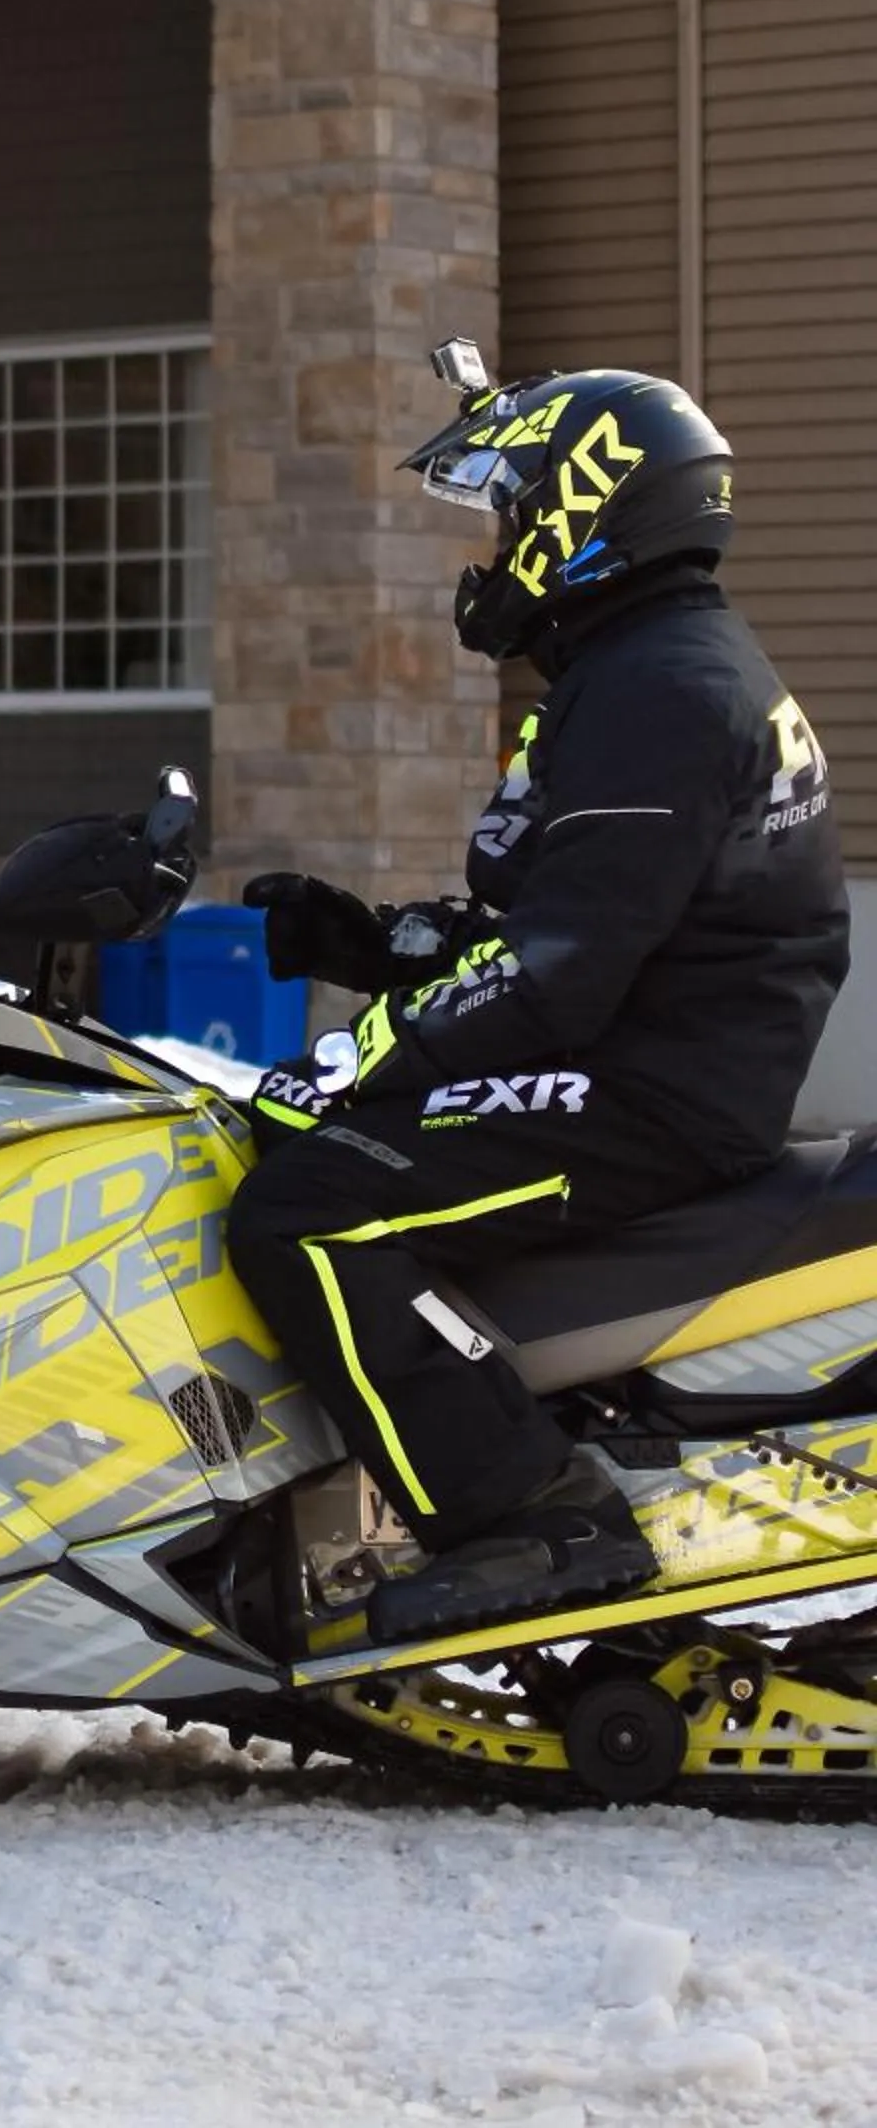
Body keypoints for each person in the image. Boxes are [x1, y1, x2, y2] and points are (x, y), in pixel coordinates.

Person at [225, 346, 850, 1645]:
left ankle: (531, 1512)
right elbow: (565, 923)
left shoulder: (662, 693)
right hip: (649, 1049)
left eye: (512, 514)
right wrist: (376, 945)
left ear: (587, 511)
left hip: (652, 1087)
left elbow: (557, 972)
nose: (497, 547)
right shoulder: (642, 669)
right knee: (316, 1150)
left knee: (306, 1210)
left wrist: (354, 1061)